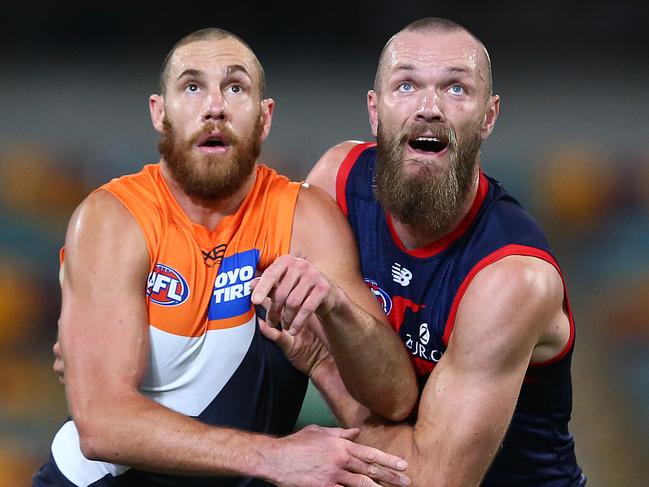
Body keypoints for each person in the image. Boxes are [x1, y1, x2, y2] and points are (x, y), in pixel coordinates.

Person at [34, 28, 419, 487]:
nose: (213, 106)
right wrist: (276, 458)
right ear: (160, 113)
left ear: (264, 117)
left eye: (235, 87)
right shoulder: (113, 218)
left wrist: (337, 310)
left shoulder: (303, 217)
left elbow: (395, 399)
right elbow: (102, 425)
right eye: (192, 86)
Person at [270, 17, 586, 486]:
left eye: (456, 89)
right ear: (374, 111)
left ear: (489, 116)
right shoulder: (336, 182)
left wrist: (323, 364)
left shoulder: (512, 276)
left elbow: (427, 480)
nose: (429, 107)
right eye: (406, 85)